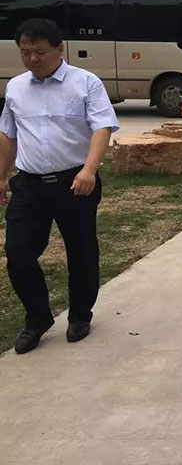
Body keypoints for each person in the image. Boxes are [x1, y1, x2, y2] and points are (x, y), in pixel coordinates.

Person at [0, 18, 119, 354]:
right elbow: (8, 134)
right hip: (29, 185)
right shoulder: (16, 88)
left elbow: (102, 127)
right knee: (18, 254)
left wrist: (89, 170)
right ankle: (37, 318)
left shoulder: (85, 83)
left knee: (81, 253)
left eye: (40, 52)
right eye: (25, 52)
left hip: (75, 182)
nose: (32, 59)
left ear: (59, 49)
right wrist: (2, 175)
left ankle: (80, 314)